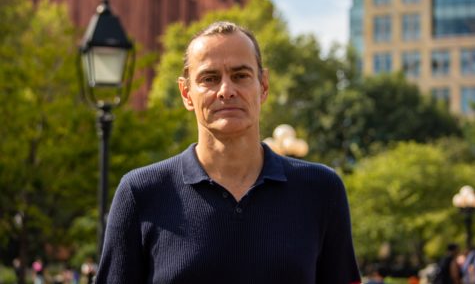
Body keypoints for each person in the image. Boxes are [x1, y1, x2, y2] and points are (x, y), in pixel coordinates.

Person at [96, 21, 361, 283]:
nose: (226, 90)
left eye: (240, 76)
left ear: (264, 86)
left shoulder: (321, 190)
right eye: (210, 78)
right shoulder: (141, 193)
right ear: (186, 93)